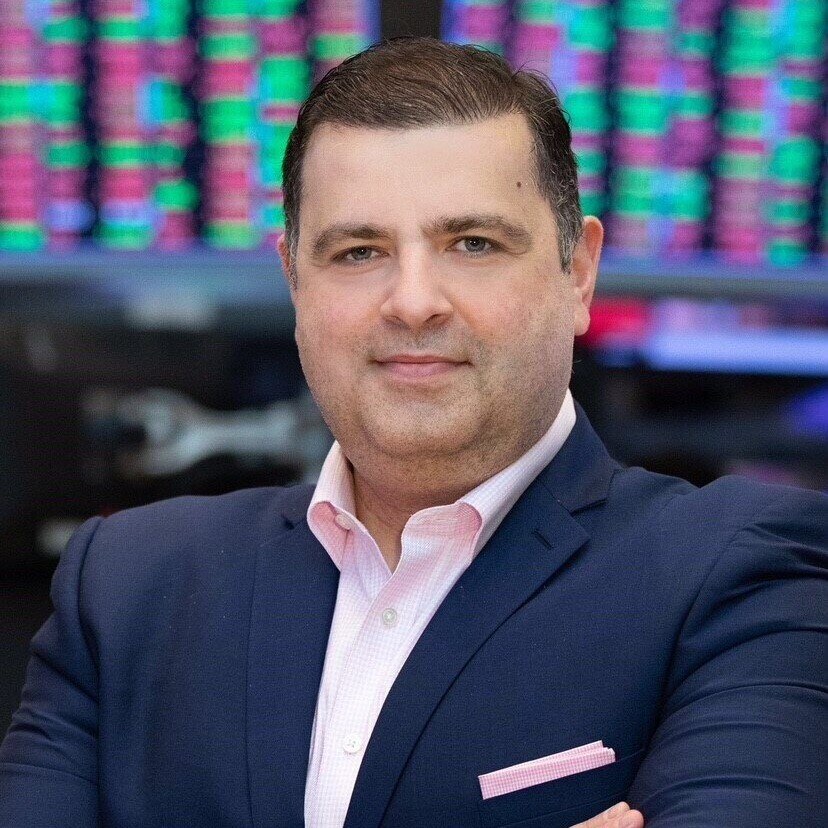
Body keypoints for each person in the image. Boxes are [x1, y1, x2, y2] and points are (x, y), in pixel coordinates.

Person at [1, 36, 826, 828]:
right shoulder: (126, 587)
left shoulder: (741, 574)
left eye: (473, 243)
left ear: (578, 273)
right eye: (359, 252)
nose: (413, 302)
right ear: (294, 281)